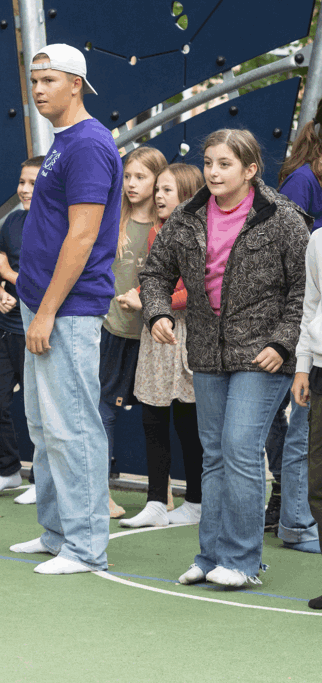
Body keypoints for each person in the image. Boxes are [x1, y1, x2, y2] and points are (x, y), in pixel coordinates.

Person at [141, 129, 309, 587]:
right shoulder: (186, 216)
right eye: (209, 162)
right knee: (213, 456)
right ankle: (209, 555)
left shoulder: (284, 219)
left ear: (250, 170)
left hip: (263, 357)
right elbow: (155, 272)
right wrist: (156, 311)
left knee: (238, 450)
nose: (213, 172)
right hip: (208, 355)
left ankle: (242, 561)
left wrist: (282, 343)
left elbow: (305, 291)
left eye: (224, 164)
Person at [10, 44, 122, 575]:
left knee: (72, 424)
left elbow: (83, 235)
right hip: (46, 304)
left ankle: (85, 547)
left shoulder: (89, 145)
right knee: (44, 423)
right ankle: (58, 533)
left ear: (75, 83)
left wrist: (47, 310)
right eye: (34, 80)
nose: (38, 89)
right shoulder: (64, 142)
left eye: (48, 80)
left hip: (67, 309)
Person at [116, 163, 205, 528]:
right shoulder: (158, 232)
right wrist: (140, 297)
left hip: (186, 336)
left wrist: (151, 302)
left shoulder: (202, 233)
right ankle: (156, 502)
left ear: (186, 195)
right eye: (159, 190)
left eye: (168, 190)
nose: (159, 196)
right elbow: (158, 281)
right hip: (157, 332)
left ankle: (197, 502)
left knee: (188, 419)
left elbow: (197, 291)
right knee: (153, 415)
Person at [98, 145, 167, 518]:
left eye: (141, 177)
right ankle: (102, 490)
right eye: (127, 176)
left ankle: (162, 493)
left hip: (153, 332)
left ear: (158, 180)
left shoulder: (164, 226)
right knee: (104, 407)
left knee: (155, 412)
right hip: (114, 329)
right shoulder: (114, 220)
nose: (131, 184)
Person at [267, 110, 322, 553]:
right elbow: (298, 276)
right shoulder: (303, 182)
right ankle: (296, 522)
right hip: (298, 330)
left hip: (302, 331)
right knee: (300, 433)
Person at [0, 156, 42, 501]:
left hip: (35, 333)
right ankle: (8, 471)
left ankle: (40, 481)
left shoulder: (55, 224)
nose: (25, 189)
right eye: (22, 182)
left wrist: (6, 270)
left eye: (33, 182)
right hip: (2, 329)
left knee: (39, 412)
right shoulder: (14, 220)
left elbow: (43, 285)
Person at [293, 210, 322, 609]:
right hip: (320, 370)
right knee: (318, 483)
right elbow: (310, 305)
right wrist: (302, 366)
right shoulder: (317, 241)